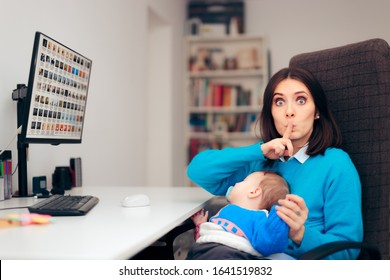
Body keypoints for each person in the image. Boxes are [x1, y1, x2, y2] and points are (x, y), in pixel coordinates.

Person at [187, 66, 363, 260]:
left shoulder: (336, 164)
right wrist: (259, 150)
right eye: (279, 102)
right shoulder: (259, 162)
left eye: (301, 100)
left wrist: (299, 233)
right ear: (271, 112)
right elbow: (198, 171)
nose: (289, 111)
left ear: (317, 111)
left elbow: (347, 252)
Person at [187, 171, 290, 260]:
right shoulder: (228, 209)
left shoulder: (261, 218)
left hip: (228, 253)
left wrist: (279, 217)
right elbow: (214, 232)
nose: (236, 183)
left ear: (254, 192)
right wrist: (201, 224)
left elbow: (270, 242)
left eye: (243, 180)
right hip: (200, 249)